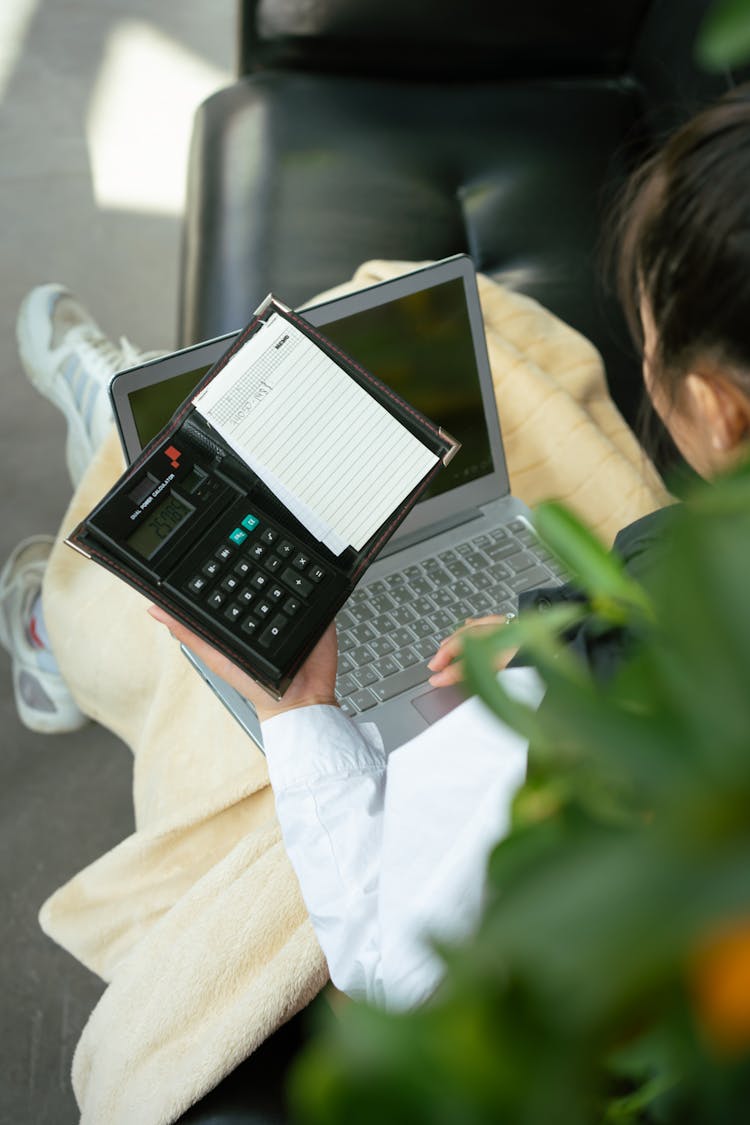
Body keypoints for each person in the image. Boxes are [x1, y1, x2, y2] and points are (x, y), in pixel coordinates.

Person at [4, 86, 750, 1015]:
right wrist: (577, 624)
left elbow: (384, 957)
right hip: (551, 659)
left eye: (646, 343)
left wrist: (299, 704)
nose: (641, 363)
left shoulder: (591, 707)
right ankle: (117, 460)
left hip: (452, 843)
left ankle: (57, 607)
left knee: (159, 621)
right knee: (446, 334)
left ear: (720, 408)